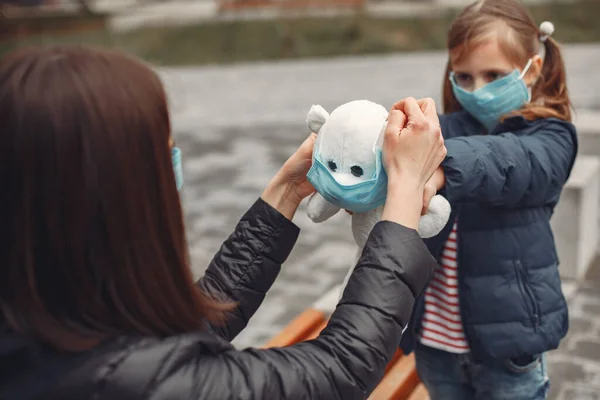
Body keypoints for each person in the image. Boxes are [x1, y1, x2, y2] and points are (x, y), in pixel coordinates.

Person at [0, 45, 446, 400]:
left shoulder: (51, 318)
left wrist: (288, 189)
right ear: (119, 196)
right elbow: (340, 370)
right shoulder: (131, 381)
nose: (176, 165)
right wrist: (405, 187)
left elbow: (193, 323)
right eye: (164, 153)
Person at [398, 1, 578, 399]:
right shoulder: (445, 127)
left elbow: (512, 162)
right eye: (464, 76)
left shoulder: (550, 136)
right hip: (435, 341)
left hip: (509, 348)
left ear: (534, 67)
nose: (477, 89)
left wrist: (443, 161)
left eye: (494, 75)